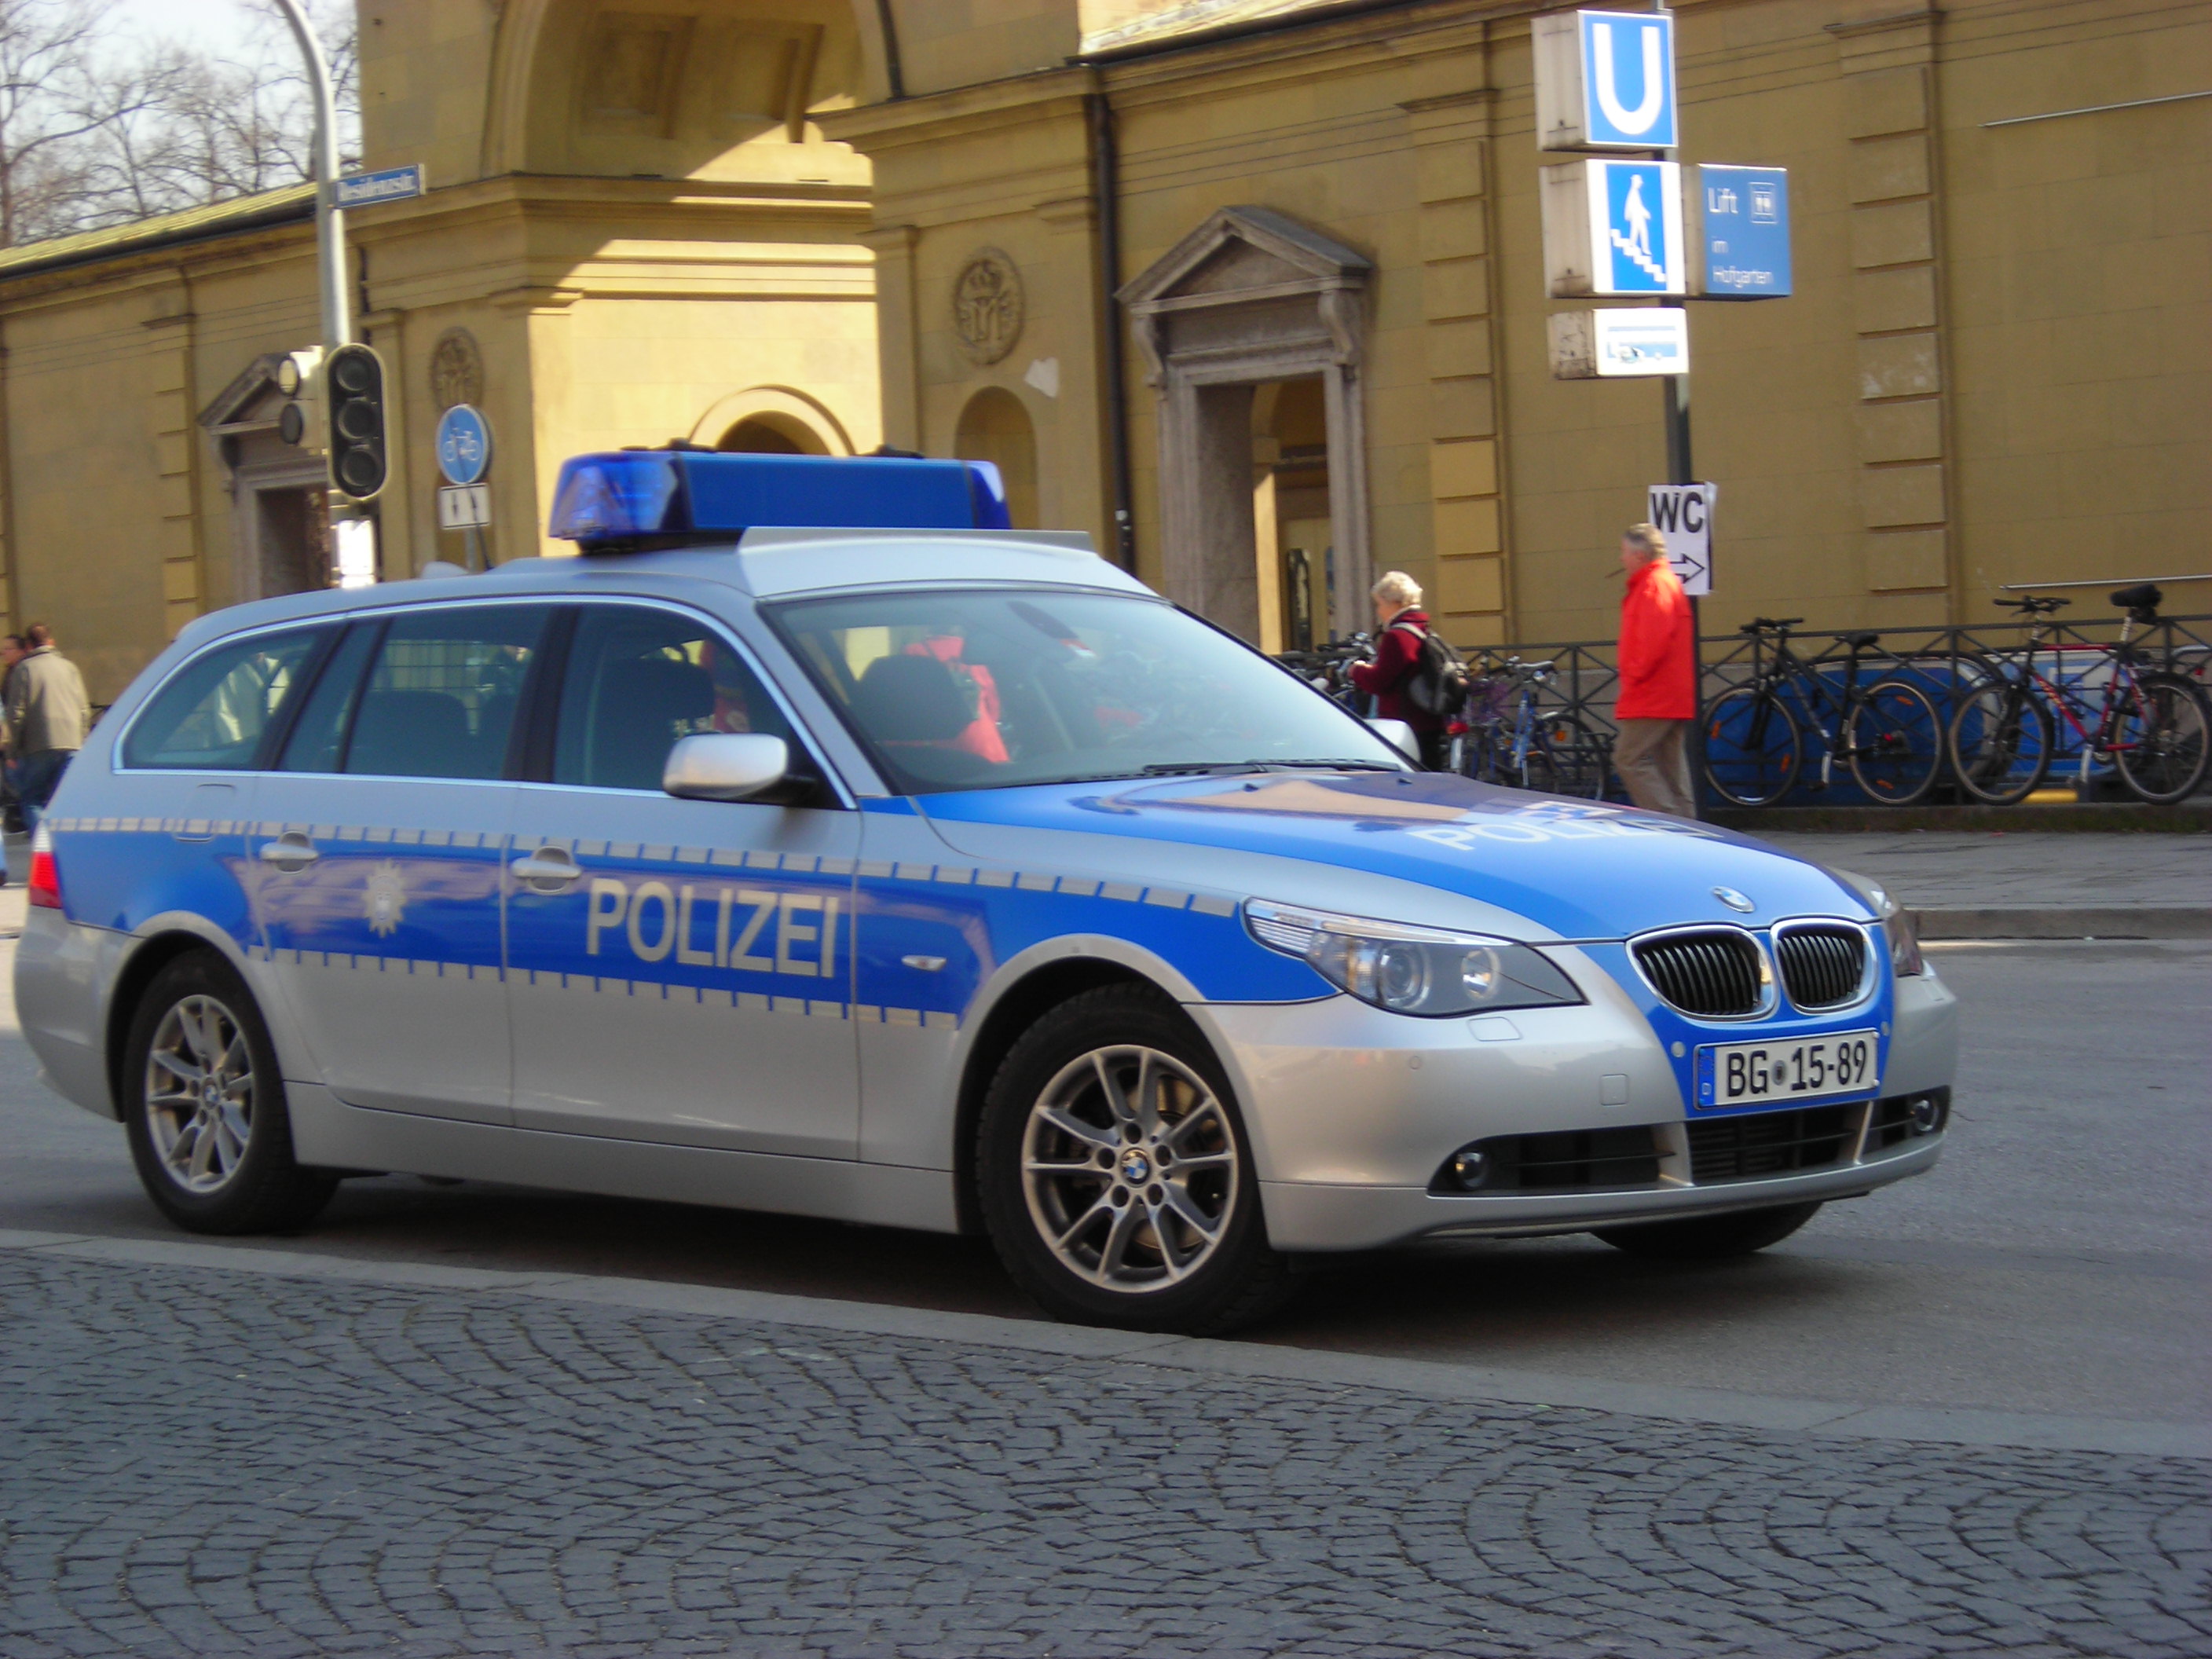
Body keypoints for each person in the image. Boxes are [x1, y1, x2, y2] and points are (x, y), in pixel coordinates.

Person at [1613, 524, 1698, 819]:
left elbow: (1652, 641)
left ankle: (1666, 821)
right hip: (1669, 692)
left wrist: (1634, 675)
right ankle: (1690, 831)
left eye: (1624, 552)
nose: (1621, 559)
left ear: (1638, 554)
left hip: (1653, 692)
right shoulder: (1664, 581)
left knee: (1628, 758)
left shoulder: (1653, 585)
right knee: (1670, 767)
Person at [1349, 572, 1448, 768]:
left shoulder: (1397, 636)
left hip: (1405, 724)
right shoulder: (1423, 629)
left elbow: (1381, 681)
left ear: (1394, 603)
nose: (1378, 611)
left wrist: (1358, 671)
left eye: (1379, 604)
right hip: (1429, 719)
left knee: (1410, 781)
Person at [6, 622, 90, 835]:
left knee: (32, 798)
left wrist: (12, 750)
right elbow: (84, 710)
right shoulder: (69, 667)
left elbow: (16, 713)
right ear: (50, 641)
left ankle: (46, 846)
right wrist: (83, 740)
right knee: (62, 798)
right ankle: (66, 842)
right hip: (72, 742)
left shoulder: (24, 669)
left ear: (28, 646)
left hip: (39, 744)